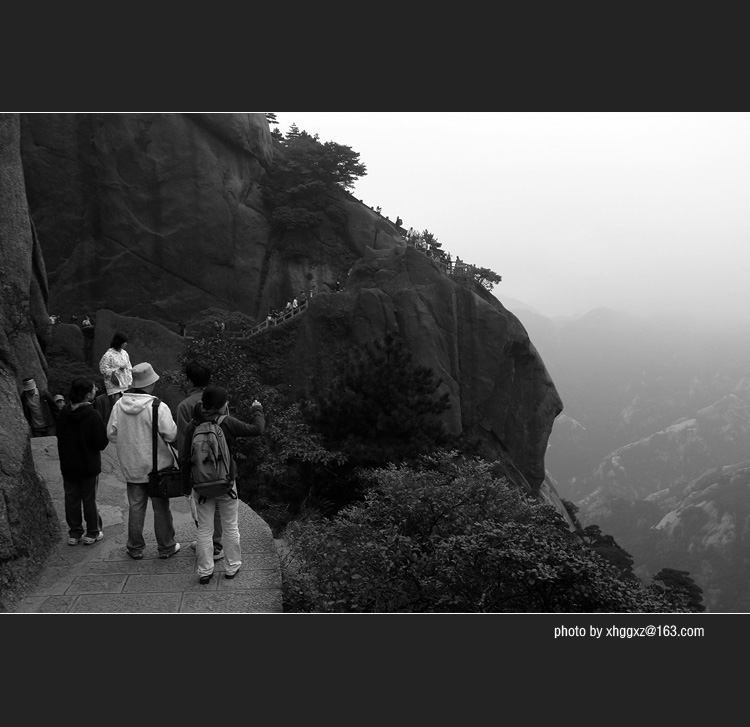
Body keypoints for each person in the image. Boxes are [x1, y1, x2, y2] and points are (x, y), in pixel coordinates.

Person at [181, 386, 265, 585]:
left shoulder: (193, 426)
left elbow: (185, 459)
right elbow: (257, 429)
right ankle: (231, 567)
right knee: (230, 526)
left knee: (204, 529)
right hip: (227, 485)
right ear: (221, 406)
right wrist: (257, 410)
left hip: (201, 487)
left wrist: (187, 488)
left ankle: (205, 571)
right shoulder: (226, 422)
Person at [107, 362, 181, 560]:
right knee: (160, 508)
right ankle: (166, 547)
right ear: (150, 384)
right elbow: (171, 434)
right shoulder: (158, 406)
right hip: (157, 468)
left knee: (136, 507)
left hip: (132, 466)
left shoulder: (119, 406)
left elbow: (111, 434)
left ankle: (135, 548)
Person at [175, 360, 223, 561]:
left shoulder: (185, 406)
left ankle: (209, 543)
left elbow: (184, 441)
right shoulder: (218, 402)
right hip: (219, 462)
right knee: (218, 502)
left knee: (199, 504)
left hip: (196, 464)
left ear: (188, 380)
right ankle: (217, 543)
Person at [56, 378, 109, 546]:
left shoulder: (64, 412)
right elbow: (101, 442)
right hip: (88, 464)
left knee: (71, 499)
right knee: (89, 498)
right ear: (88, 394)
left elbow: (59, 435)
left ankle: (74, 533)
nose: (96, 390)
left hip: (68, 464)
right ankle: (92, 532)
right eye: (94, 389)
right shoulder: (92, 414)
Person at [99, 331, 133, 399]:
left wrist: (130, 380)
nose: (126, 344)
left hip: (125, 385)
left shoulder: (125, 353)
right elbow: (102, 369)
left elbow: (129, 367)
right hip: (114, 386)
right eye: (124, 342)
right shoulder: (108, 355)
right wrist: (117, 370)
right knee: (115, 407)